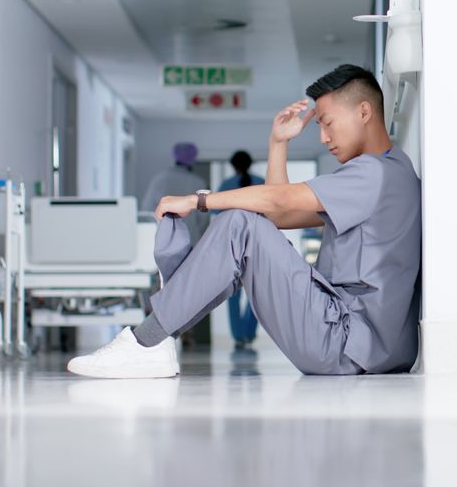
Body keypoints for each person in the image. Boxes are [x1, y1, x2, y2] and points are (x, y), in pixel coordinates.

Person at [68, 65, 421, 377]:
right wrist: (277, 143)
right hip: (367, 346)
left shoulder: (373, 174)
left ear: (363, 112)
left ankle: (147, 343)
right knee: (247, 224)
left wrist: (199, 200)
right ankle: (157, 338)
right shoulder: (392, 171)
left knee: (239, 224)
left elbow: (276, 200)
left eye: (327, 123)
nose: (323, 137)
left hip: (344, 340)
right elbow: (278, 214)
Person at [217, 150, 264, 350]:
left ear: (233, 165)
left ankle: (238, 336)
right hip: (258, 242)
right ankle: (249, 333)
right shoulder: (261, 182)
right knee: (257, 291)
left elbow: (216, 216)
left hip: (232, 245)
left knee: (233, 293)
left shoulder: (226, 186)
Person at [140, 142, 208, 245]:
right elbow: (204, 216)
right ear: (193, 159)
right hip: (190, 240)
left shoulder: (159, 180)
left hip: (163, 239)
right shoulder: (198, 182)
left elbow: (147, 209)